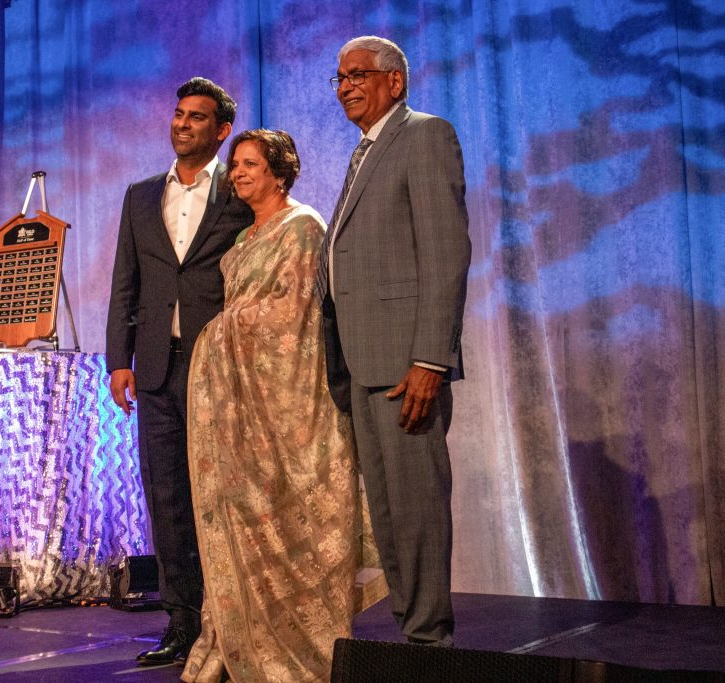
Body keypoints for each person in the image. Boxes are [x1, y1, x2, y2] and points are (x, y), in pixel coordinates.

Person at [182, 129, 363, 682]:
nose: (237, 173)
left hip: (287, 403)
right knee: (235, 514)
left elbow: (295, 316)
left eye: (250, 164)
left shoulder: (302, 228)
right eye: (234, 164)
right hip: (238, 406)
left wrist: (218, 331)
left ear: (279, 172)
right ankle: (234, 637)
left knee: (290, 519)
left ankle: (302, 653)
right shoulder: (240, 241)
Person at [318, 36, 471, 647]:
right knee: (387, 516)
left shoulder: (425, 135)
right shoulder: (364, 152)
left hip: (407, 365)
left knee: (417, 511)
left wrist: (430, 358)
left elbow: (446, 254)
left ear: (395, 82)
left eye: (359, 74)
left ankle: (431, 642)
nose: (347, 86)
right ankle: (413, 633)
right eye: (339, 77)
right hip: (362, 364)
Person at [106, 77, 254, 666]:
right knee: (165, 496)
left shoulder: (239, 193)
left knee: (215, 498)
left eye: (197, 117)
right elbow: (126, 286)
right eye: (178, 114)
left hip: (217, 368)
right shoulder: (141, 196)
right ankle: (182, 622)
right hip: (158, 371)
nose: (183, 123)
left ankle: (230, 619)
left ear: (220, 131)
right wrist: (120, 360)